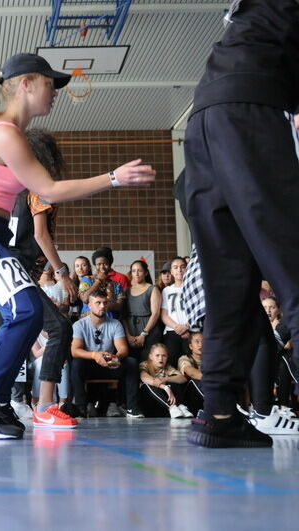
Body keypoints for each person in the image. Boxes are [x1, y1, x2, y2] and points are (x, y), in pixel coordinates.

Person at [0, 52, 154, 439]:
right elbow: (50, 189)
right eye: (49, 83)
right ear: (25, 84)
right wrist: (114, 177)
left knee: (27, 315)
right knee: (24, 311)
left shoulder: (4, 131)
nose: (55, 91)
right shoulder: (3, 133)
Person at [183, 0, 298, 448]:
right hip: (251, 108)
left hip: (203, 116)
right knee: (292, 265)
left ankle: (217, 414)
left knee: (228, 283)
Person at [7, 127, 78, 428]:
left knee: (15, 335)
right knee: (60, 326)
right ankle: (45, 405)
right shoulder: (36, 189)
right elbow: (41, 235)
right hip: (18, 273)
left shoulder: (17, 190)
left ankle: (0, 401)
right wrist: (62, 273)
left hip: (11, 274)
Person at [70, 292, 141, 418]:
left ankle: (132, 408)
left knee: (131, 362)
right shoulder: (79, 325)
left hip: (109, 362)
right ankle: (81, 408)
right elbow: (75, 351)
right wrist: (95, 355)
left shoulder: (115, 323)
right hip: (89, 364)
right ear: (89, 305)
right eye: (98, 303)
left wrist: (115, 358)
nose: (102, 306)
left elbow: (123, 349)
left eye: (105, 303)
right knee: (76, 363)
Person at [138, 344, 192, 418]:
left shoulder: (167, 368)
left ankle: (180, 406)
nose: (161, 358)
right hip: (148, 402)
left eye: (164, 356)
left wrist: (166, 379)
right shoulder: (145, 365)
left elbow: (183, 378)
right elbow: (143, 377)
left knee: (174, 378)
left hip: (162, 405)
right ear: (151, 356)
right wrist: (165, 387)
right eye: (157, 355)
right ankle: (171, 407)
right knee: (147, 385)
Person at [123, 260, 162, 360]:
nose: (136, 274)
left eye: (139, 271)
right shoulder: (127, 291)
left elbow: (155, 314)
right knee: (132, 361)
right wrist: (128, 336)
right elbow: (123, 316)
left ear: (146, 273)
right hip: (131, 332)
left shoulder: (152, 289)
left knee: (148, 361)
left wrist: (143, 334)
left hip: (149, 331)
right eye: (133, 271)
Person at [160, 257, 189, 368]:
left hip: (190, 331)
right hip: (172, 331)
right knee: (172, 364)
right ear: (171, 271)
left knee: (190, 363)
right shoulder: (167, 290)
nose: (179, 270)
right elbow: (164, 314)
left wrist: (186, 327)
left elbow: (198, 311)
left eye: (182, 267)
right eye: (175, 267)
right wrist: (177, 327)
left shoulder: (193, 288)